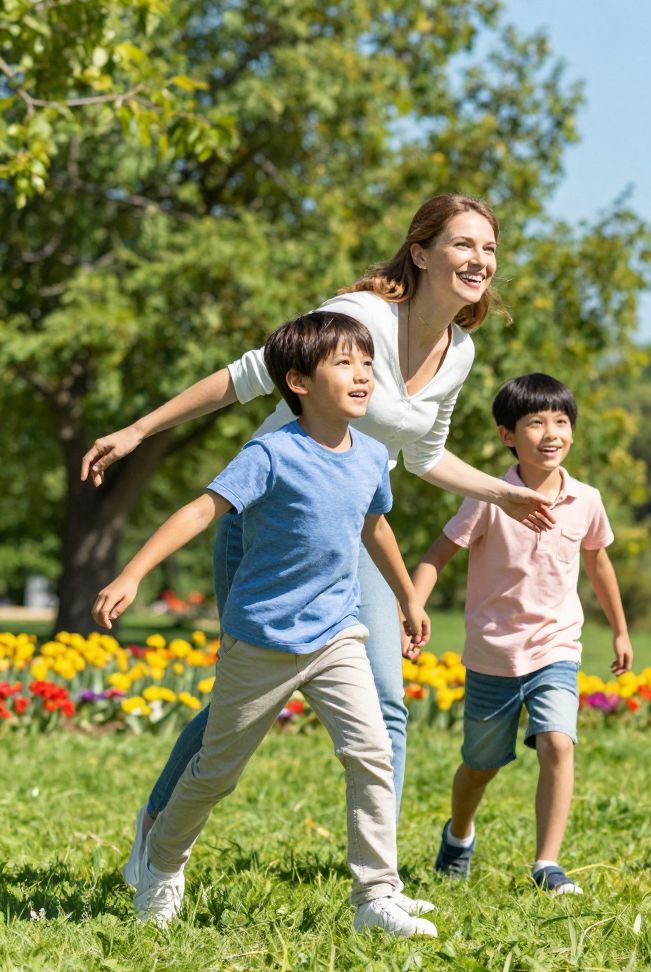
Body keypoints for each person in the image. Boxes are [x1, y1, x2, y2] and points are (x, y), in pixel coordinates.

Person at [81, 195, 555, 906]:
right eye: (463, 244)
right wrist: (138, 431)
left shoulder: (460, 351)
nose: (479, 261)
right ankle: (157, 836)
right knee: (241, 705)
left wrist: (502, 493)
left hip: (353, 525)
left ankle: (380, 889)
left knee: (386, 706)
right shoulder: (358, 318)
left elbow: (423, 454)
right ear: (421, 253)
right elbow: (245, 376)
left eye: (489, 249)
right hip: (269, 522)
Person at [95, 311, 436, 936]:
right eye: (344, 364)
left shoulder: (370, 458)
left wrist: (409, 598)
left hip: (338, 635)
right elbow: (201, 511)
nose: (363, 374)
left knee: (371, 754)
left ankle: (376, 896)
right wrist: (132, 573)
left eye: (367, 362)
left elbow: (375, 527)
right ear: (298, 382)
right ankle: (162, 866)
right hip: (262, 641)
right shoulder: (272, 453)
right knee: (215, 775)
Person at [410, 373, 632, 895]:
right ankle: (459, 833)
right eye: (536, 423)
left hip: (556, 646)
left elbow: (599, 566)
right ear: (509, 435)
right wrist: (412, 606)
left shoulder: (586, 500)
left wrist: (620, 631)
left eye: (561, 421)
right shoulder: (490, 497)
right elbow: (436, 555)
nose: (551, 433)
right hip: (492, 653)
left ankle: (546, 864)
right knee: (480, 764)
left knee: (558, 742)